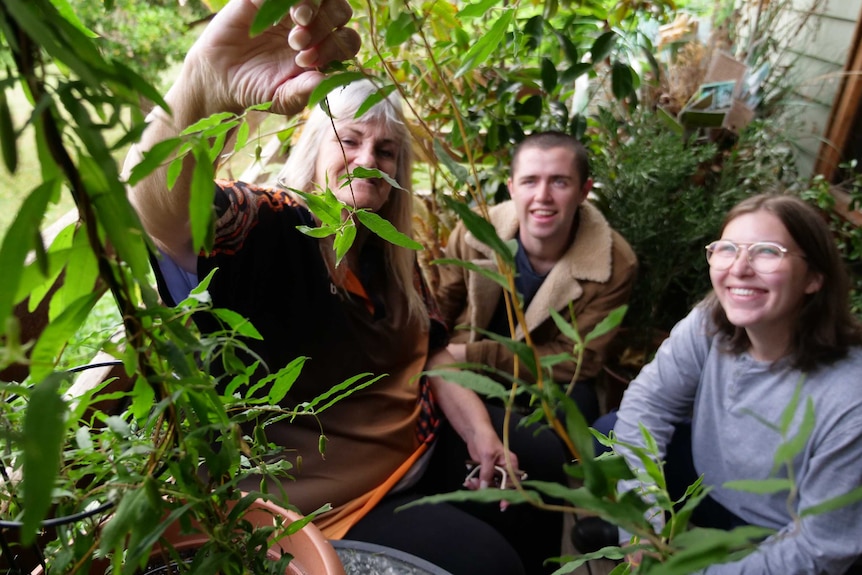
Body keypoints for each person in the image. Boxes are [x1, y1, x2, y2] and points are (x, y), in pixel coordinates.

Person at [124, 1, 566, 574]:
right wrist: (202, 86)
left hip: (419, 444)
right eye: (350, 140)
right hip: (331, 509)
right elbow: (164, 214)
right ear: (316, 148)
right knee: (490, 562)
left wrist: (483, 434)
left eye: (386, 152)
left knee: (542, 462)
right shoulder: (275, 227)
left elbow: (433, 353)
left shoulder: (392, 254)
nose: (368, 161)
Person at [576, 194, 862, 574]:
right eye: (726, 249)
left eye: (766, 252)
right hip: (712, 486)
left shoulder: (849, 397)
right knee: (608, 432)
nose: (739, 268)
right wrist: (641, 523)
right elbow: (649, 403)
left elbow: (819, 547)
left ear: (814, 278)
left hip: (782, 527)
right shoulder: (712, 320)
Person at [436, 132, 638, 423]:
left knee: (572, 425)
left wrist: (477, 355)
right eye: (530, 181)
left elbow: (578, 360)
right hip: (461, 368)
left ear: (583, 191)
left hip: (546, 378)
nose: (542, 196)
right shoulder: (475, 232)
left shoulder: (614, 262)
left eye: (559, 182)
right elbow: (439, 308)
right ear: (512, 188)